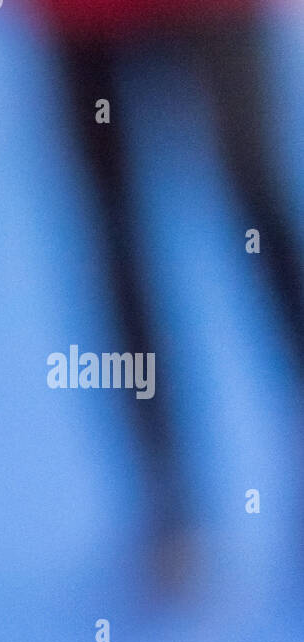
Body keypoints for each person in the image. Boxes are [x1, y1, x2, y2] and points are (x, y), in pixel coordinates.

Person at [31, 0, 303, 595]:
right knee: (116, 234)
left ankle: (169, 516)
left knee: (256, 206)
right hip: (82, 18)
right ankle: (167, 510)